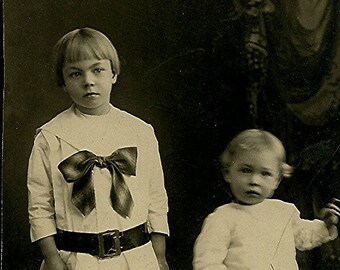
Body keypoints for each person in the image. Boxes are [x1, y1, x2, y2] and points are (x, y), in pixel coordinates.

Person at [27, 27, 170, 270]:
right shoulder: (51, 137)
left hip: (135, 259)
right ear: (63, 81)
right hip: (75, 259)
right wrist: (52, 257)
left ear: (113, 73)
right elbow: (40, 204)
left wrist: (158, 255)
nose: (88, 81)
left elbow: (156, 197)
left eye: (97, 70)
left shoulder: (140, 132)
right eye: (75, 74)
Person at [193, 129, 339, 270]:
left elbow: (304, 236)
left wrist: (325, 226)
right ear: (228, 173)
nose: (254, 180)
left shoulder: (284, 212)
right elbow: (207, 262)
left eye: (265, 173)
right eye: (246, 170)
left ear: (277, 179)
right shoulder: (222, 218)